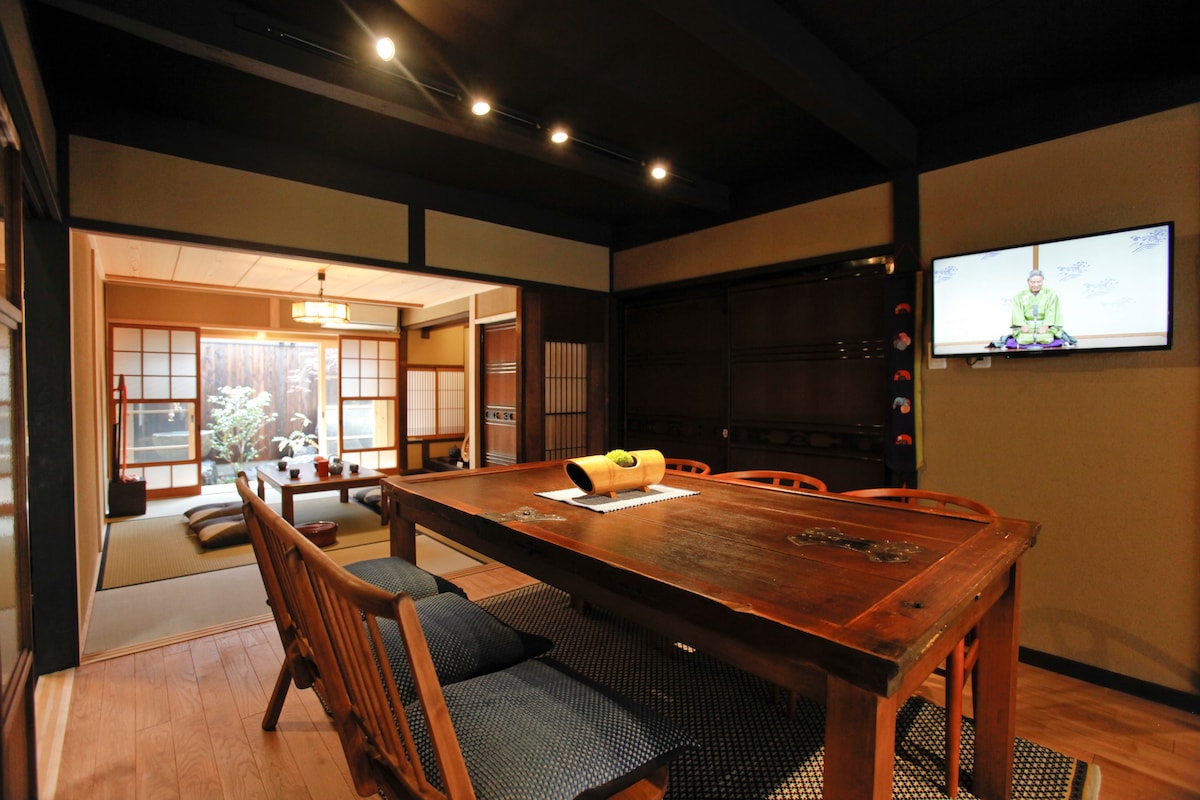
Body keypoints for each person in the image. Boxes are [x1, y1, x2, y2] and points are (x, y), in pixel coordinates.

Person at [1010, 269, 1063, 345]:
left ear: (1043, 280)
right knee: (1022, 339)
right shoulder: (1020, 295)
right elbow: (1017, 312)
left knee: (1046, 338)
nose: (1036, 285)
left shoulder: (1051, 294)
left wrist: (1046, 326)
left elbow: (1052, 311)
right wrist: (1022, 325)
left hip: (1044, 327)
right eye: (1033, 282)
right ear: (1028, 281)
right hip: (1027, 327)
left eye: (1039, 282)